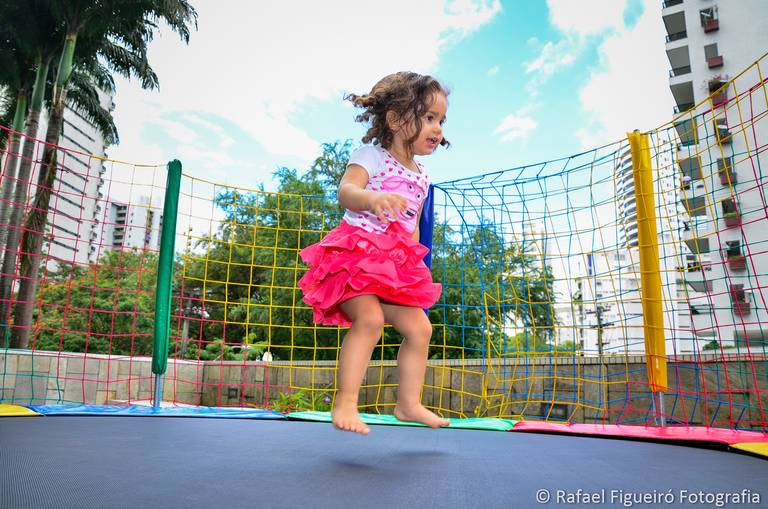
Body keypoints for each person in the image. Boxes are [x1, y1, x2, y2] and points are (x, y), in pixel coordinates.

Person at [298, 72, 451, 435]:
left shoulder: (422, 175)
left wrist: (411, 259)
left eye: (441, 121)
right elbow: (347, 191)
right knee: (368, 320)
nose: (438, 128)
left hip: (393, 267)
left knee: (420, 328)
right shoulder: (371, 156)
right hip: (355, 257)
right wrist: (372, 199)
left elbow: (410, 224)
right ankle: (346, 403)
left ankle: (408, 403)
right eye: (429, 117)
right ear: (397, 119)